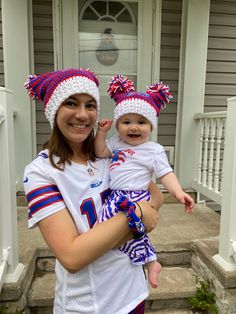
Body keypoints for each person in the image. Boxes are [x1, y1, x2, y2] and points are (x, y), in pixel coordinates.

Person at [23, 68, 164, 314]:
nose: (82, 114)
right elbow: (72, 257)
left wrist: (133, 219)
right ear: (53, 110)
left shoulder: (109, 154)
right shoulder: (41, 172)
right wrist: (137, 213)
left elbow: (157, 197)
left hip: (133, 292)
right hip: (88, 305)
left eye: (90, 105)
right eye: (71, 103)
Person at [94, 74, 194, 289]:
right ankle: (146, 262)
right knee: (104, 229)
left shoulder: (153, 150)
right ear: (118, 124)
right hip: (114, 196)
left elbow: (166, 174)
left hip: (137, 196)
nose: (134, 127)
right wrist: (101, 132)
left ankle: (149, 262)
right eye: (126, 121)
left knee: (132, 228)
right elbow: (100, 152)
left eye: (141, 122)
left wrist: (178, 193)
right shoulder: (115, 143)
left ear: (152, 125)